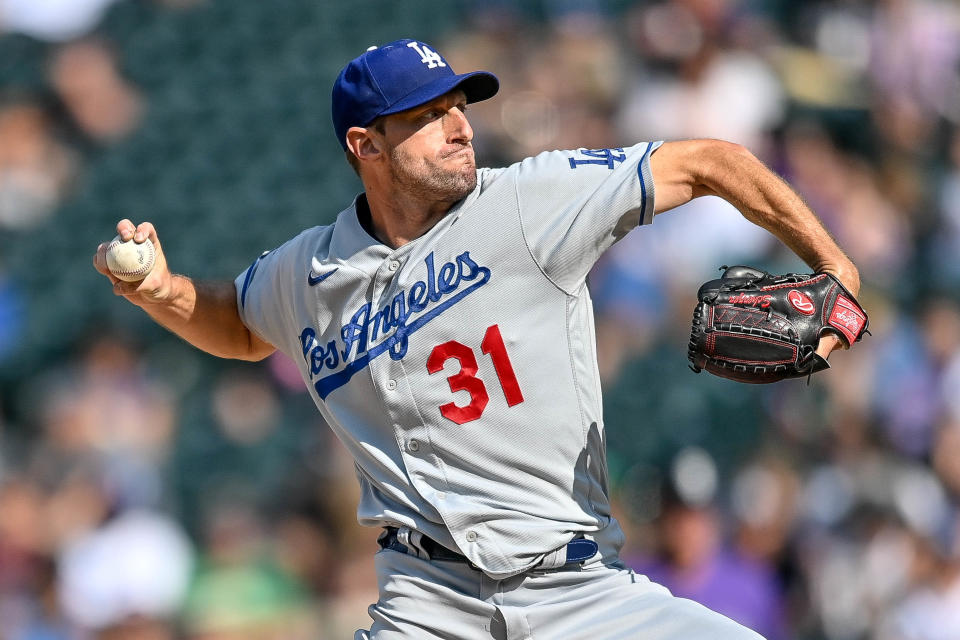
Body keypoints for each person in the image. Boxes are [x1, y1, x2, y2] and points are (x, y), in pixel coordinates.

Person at [94, 38, 859, 639]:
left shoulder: (528, 201)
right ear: (366, 144)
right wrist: (160, 291)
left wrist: (836, 267)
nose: (460, 124)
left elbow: (711, 161)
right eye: (429, 114)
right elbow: (233, 322)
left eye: (459, 103)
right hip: (428, 605)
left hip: (577, 589)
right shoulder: (310, 269)